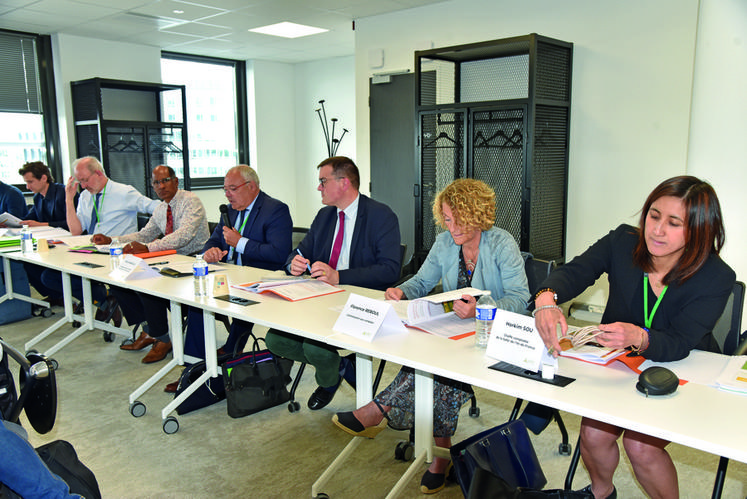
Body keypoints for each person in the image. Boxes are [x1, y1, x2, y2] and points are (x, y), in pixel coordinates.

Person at [532, 176, 735, 499]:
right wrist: (546, 298)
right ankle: (601, 493)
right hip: (616, 364)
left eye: (673, 223)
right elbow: (575, 271)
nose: (657, 230)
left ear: (699, 230)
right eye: (653, 216)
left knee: (640, 445)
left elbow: (681, 342)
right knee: (595, 433)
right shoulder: (622, 242)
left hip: (679, 372)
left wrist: (640, 336)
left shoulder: (716, 276)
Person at [331, 178, 530, 494]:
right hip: (455, 331)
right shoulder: (445, 242)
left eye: (459, 220)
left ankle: (378, 412)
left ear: (478, 215)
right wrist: (400, 291)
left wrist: (481, 309)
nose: (452, 228)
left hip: (494, 335)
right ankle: (440, 458)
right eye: (448, 219)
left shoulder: (502, 244)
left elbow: (520, 299)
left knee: (436, 372)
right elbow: (421, 282)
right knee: (430, 364)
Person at [265, 156, 402, 411]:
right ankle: (341, 367)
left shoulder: (380, 215)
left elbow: (390, 269)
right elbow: (300, 252)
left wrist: (340, 277)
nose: (319, 187)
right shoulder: (325, 215)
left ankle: (329, 381)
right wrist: (293, 264)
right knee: (276, 339)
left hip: (362, 301)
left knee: (314, 347)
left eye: (323, 181)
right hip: (322, 298)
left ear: (344, 182)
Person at [164, 165, 293, 391]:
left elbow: (279, 253)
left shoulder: (275, 210)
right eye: (225, 189)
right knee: (197, 302)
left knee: (214, 303)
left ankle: (226, 354)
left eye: (232, 189)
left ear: (251, 186)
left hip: (260, 280)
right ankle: (195, 369)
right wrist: (210, 251)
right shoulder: (230, 211)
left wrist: (240, 243)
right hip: (228, 276)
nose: (227, 194)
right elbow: (214, 240)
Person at [92, 165, 210, 364]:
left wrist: (148, 249)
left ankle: (162, 338)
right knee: (121, 281)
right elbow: (143, 234)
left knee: (149, 283)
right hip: (170, 259)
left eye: (165, 181)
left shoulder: (191, 201)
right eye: (156, 182)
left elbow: (183, 236)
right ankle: (150, 330)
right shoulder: (161, 208)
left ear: (175, 181)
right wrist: (112, 240)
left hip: (194, 261)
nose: (161, 186)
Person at [40, 156, 160, 322]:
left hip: (116, 253)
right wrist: (69, 198)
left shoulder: (124, 192)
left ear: (98, 173)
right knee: (49, 276)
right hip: (91, 251)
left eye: (85, 180)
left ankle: (108, 301)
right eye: (79, 182)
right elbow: (76, 230)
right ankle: (104, 301)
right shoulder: (86, 196)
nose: (83, 186)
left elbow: (156, 207)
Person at [18, 161, 75, 304]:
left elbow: (72, 224)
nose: (27, 187)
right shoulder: (38, 197)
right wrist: (11, 223)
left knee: (47, 273)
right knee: (28, 265)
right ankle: (57, 296)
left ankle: (66, 296)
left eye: (30, 182)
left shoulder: (63, 193)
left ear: (44, 178)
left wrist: (42, 224)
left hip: (69, 243)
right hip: (49, 243)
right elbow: (29, 219)